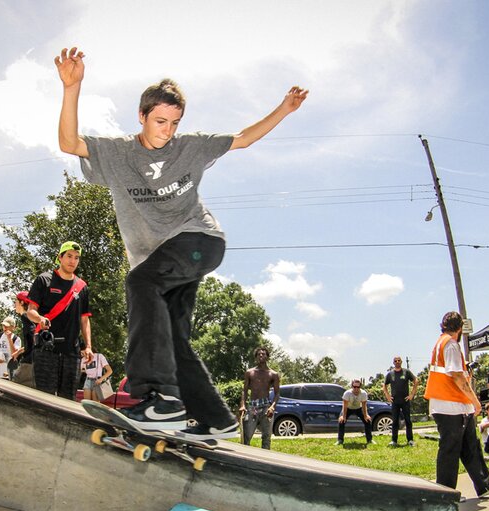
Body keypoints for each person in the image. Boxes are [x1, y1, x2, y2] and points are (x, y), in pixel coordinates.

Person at [55, 46, 307, 439]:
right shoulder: (117, 152)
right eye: (159, 121)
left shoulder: (190, 146)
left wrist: (284, 108)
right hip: (161, 260)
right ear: (141, 116)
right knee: (173, 337)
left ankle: (160, 400)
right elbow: (70, 143)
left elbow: (242, 139)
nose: (167, 131)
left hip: (198, 241)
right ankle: (216, 419)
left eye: (174, 122)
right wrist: (73, 87)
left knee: (140, 283)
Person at [424, 311, 489, 498]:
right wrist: (476, 401)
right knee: (450, 450)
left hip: (455, 405)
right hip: (450, 405)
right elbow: (457, 376)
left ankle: (484, 485)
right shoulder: (450, 345)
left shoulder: (440, 342)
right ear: (460, 328)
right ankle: (446, 493)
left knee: (471, 446)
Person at [26, 241, 93, 399]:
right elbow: (31, 311)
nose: (73, 261)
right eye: (69, 256)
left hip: (71, 351)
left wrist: (89, 346)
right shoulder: (44, 280)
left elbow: (85, 319)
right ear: (60, 257)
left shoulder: (82, 287)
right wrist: (40, 319)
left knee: (68, 398)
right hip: (46, 349)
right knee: (44, 397)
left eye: (76, 257)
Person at [239, 347, 281, 449]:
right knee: (246, 436)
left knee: (266, 437)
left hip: (266, 407)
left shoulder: (273, 374)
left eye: (263, 354)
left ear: (267, 357)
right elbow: (244, 391)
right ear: (256, 357)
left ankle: (265, 461)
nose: (261, 355)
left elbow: (277, 393)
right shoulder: (250, 372)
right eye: (258, 354)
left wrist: (272, 407)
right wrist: (243, 405)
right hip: (252, 407)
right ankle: (244, 459)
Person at [384, 355, 418, 446]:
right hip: (395, 402)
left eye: (399, 360)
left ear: (401, 362)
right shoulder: (390, 374)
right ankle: (394, 441)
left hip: (405, 401)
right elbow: (384, 385)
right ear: (393, 362)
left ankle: (410, 440)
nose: (397, 362)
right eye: (395, 361)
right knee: (395, 421)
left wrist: (411, 394)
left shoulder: (406, 372)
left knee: (408, 420)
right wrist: (387, 396)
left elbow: (415, 381)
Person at [11, 291, 36, 387]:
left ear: (21, 303)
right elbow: (30, 341)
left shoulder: (27, 318)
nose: (14, 304)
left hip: (29, 363)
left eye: (16, 301)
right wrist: (19, 351)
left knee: (16, 386)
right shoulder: (30, 317)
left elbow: (33, 337)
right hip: (34, 361)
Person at [338, 379, 373, 446]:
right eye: (354, 387)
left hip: (358, 409)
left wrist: (366, 415)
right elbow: (344, 406)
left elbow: (364, 405)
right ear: (352, 386)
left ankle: (369, 440)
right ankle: (340, 440)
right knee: (341, 421)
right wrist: (343, 416)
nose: (356, 389)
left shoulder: (363, 393)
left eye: (358, 387)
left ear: (360, 387)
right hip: (348, 408)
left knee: (367, 421)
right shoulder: (347, 393)